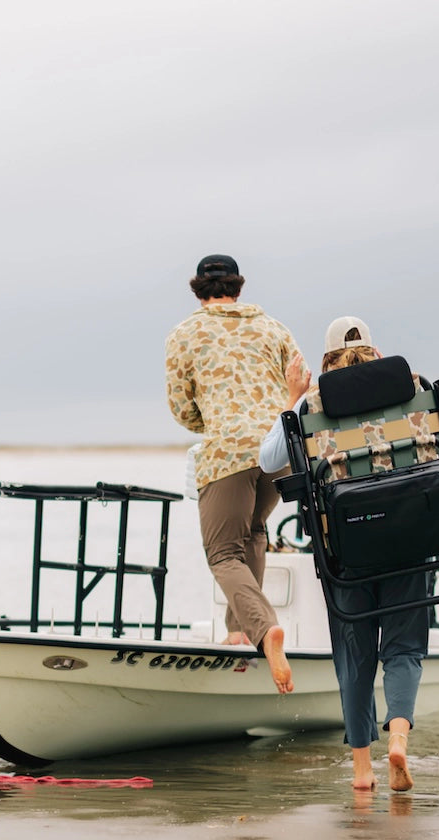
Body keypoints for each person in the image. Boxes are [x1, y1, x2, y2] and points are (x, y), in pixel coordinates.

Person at [259, 316, 428, 791]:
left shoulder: (313, 402)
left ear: (326, 359)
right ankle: (398, 738)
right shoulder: (412, 387)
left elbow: (269, 460)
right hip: (410, 536)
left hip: (345, 545)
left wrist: (292, 397)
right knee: (404, 647)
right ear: (375, 352)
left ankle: (361, 771)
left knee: (355, 656)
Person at [165, 254, 304, 694]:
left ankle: (264, 630)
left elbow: (180, 407)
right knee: (253, 533)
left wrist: (215, 422)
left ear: (197, 290)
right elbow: (300, 381)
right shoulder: (274, 328)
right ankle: (238, 631)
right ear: (238, 288)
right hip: (277, 449)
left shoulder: (184, 334)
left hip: (226, 452)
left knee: (222, 553)